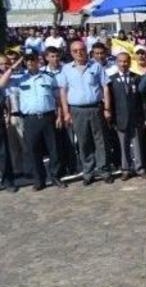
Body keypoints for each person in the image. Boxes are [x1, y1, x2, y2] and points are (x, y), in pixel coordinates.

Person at [0, 54, 66, 190]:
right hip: (30, 119)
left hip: (48, 117)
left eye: (32, 59)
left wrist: (60, 115)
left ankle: (55, 177)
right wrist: (13, 67)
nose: (30, 62)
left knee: (54, 149)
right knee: (33, 151)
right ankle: (39, 180)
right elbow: (1, 84)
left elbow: (57, 98)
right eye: (27, 60)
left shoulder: (48, 77)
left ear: (38, 61)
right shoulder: (19, 79)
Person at [58, 40, 113, 185]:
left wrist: (107, 108)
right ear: (71, 53)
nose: (79, 53)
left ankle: (104, 169)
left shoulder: (96, 66)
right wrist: (66, 113)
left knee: (100, 141)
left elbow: (105, 87)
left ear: (86, 50)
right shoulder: (66, 69)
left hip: (95, 108)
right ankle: (88, 172)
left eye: (81, 49)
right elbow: (63, 91)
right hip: (77, 110)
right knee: (83, 142)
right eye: (75, 51)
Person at [107, 52, 146, 180]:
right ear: (116, 63)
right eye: (120, 61)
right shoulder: (111, 80)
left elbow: (143, 100)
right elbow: (111, 101)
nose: (123, 64)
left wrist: (145, 116)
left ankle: (140, 168)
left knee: (138, 145)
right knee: (123, 145)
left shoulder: (136, 78)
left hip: (136, 117)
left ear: (130, 62)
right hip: (120, 118)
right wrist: (112, 118)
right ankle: (125, 169)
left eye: (125, 61)